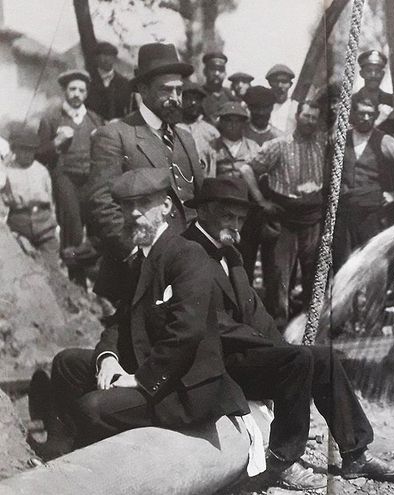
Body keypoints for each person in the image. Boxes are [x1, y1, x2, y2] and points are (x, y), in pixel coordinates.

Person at [181, 176, 394, 489]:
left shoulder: (229, 251)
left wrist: (280, 345)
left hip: (242, 351)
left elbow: (255, 311)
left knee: (322, 358)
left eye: (239, 219)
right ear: (204, 211)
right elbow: (208, 322)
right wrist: (275, 351)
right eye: (228, 217)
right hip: (212, 361)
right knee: (298, 361)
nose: (235, 226)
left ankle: (355, 453)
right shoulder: (187, 252)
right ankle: (282, 460)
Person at [28, 168, 248, 460]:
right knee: (67, 364)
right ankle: (58, 448)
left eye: (144, 203)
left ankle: (92, 462)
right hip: (148, 363)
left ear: (165, 206)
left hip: (182, 387)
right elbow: (120, 321)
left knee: (92, 407)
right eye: (126, 205)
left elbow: (187, 332)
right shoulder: (141, 258)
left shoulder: (187, 254)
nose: (133, 213)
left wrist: (140, 379)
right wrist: (108, 358)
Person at [86, 42, 205, 302]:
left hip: (186, 268)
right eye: (166, 90)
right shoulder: (116, 135)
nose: (175, 98)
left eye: (179, 90)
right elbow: (102, 204)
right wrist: (134, 255)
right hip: (137, 272)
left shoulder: (186, 138)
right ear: (143, 90)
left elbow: (198, 199)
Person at [248, 101, 327, 326]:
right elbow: (248, 169)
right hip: (284, 219)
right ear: (297, 116)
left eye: (314, 118)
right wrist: (261, 201)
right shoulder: (279, 145)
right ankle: (279, 323)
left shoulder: (321, 146)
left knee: (313, 272)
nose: (310, 121)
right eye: (306, 116)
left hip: (312, 218)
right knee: (280, 275)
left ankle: (310, 323)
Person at [37, 69, 105, 286]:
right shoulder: (51, 118)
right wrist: (56, 143)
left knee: (97, 229)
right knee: (72, 230)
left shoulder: (95, 119)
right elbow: (38, 154)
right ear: (65, 91)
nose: (77, 94)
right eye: (73, 89)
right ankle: (76, 283)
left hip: (91, 181)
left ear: (86, 93)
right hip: (64, 178)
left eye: (81, 90)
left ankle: (95, 282)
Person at [335, 94, 394, 266]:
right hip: (345, 215)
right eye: (361, 113)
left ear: (376, 115)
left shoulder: (385, 141)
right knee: (342, 264)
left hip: (372, 215)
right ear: (353, 114)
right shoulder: (341, 139)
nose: (365, 118)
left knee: (371, 264)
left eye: (370, 114)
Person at [1, 126, 58, 256]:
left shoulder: (41, 171)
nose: (27, 154)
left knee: (51, 262)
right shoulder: (6, 172)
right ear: (14, 149)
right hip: (19, 227)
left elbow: (50, 201)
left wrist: (53, 226)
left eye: (31, 150)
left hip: (44, 227)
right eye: (23, 149)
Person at [179, 80, 220, 175]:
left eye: (197, 99)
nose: (193, 103)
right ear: (181, 100)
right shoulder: (170, 128)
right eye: (188, 98)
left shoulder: (211, 132)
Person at [210, 101, 261, 179]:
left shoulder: (253, 147)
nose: (233, 125)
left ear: (244, 123)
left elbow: (260, 173)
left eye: (238, 121)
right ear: (221, 122)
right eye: (228, 120)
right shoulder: (211, 146)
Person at [85, 41, 132, 121]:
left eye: (110, 55)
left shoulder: (124, 83)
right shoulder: (88, 82)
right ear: (96, 58)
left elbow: (131, 110)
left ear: (115, 59)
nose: (107, 59)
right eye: (103, 55)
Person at [354, 50, 394, 125]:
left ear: (383, 74)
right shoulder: (352, 102)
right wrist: (380, 121)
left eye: (377, 71)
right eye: (368, 71)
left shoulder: (391, 101)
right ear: (361, 73)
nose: (373, 75)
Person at [200, 51, 234, 124]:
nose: (216, 73)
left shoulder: (229, 95)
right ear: (205, 72)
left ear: (225, 73)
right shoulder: (198, 94)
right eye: (213, 69)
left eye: (220, 70)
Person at [266, 64, 298, 133]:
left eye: (284, 81)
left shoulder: (296, 108)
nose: (280, 85)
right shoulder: (262, 106)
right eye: (275, 81)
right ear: (270, 83)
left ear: (290, 84)